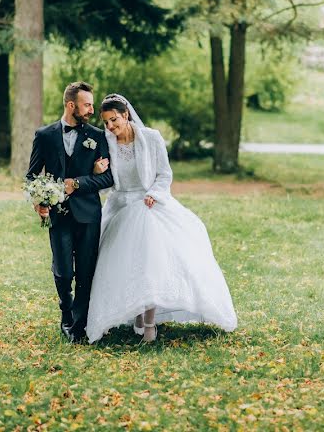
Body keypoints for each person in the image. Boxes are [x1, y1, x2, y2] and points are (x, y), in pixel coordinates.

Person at [85, 94, 237, 343]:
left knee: (151, 261)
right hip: (120, 205)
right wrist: (96, 171)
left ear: (126, 115)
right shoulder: (105, 142)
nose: (111, 127)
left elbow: (164, 174)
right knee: (121, 264)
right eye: (106, 123)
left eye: (114, 120)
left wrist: (154, 194)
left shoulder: (151, 138)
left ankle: (149, 322)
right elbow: (104, 187)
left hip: (148, 203)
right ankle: (133, 310)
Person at [27, 81, 114, 343]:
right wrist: (38, 200)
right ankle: (66, 311)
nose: (91, 109)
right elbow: (32, 175)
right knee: (64, 271)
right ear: (70, 105)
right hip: (58, 215)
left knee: (86, 271)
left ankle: (79, 323)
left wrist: (78, 183)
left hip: (88, 214)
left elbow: (108, 177)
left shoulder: (97, 136)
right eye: (87, 104)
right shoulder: (44, 135)